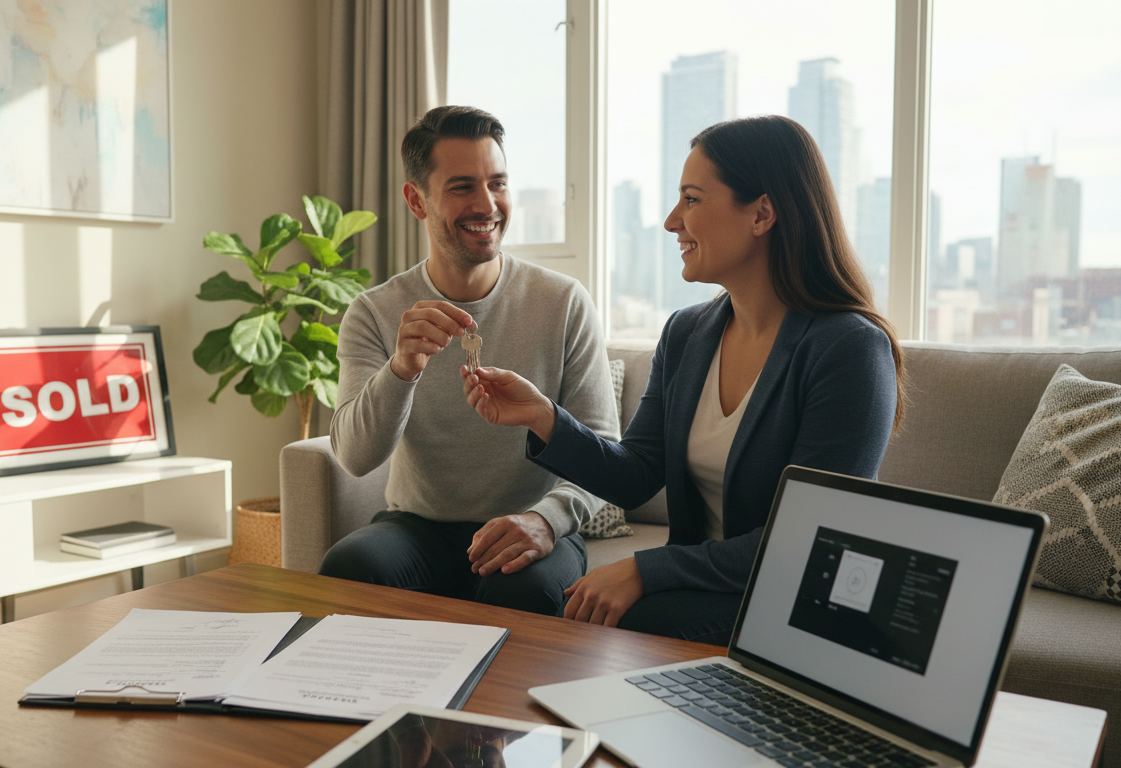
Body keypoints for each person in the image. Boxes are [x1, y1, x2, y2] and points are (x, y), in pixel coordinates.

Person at [461, 115, 904, 643]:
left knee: (606, 626)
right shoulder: (687, 332)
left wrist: (645, 570)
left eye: (691, 199)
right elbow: (636, 475)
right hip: (707, 587)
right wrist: (543, 416)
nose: (672, 221)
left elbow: (810, 540)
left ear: (762, 214)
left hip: (797, 598)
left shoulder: (849, 349)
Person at [319, 105, 619, 617]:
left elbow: (603, 447)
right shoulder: (374, 312)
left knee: (523, 594)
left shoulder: (564, 302)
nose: (487, 204)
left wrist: (546, 520)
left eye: (497, 183)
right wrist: (402, 369)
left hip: (529, 523)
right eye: (462, 187)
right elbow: (354, 456)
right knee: (348, 568)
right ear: (417, 200)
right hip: (419, 529)